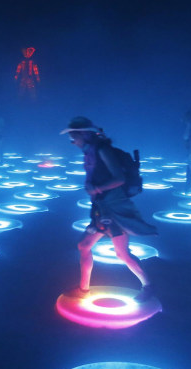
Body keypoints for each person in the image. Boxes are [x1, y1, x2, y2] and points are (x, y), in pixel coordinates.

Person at [61, 116, 158, 301]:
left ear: (84, 134)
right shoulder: (90, 151)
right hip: (101, 209)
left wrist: (96, 188)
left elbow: (119, 179)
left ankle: (148, 286)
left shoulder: (102, 149)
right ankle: (83, 289)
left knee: (122, 254)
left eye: (73, 137)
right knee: (84, 245)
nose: (72, 142)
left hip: (115, 209)